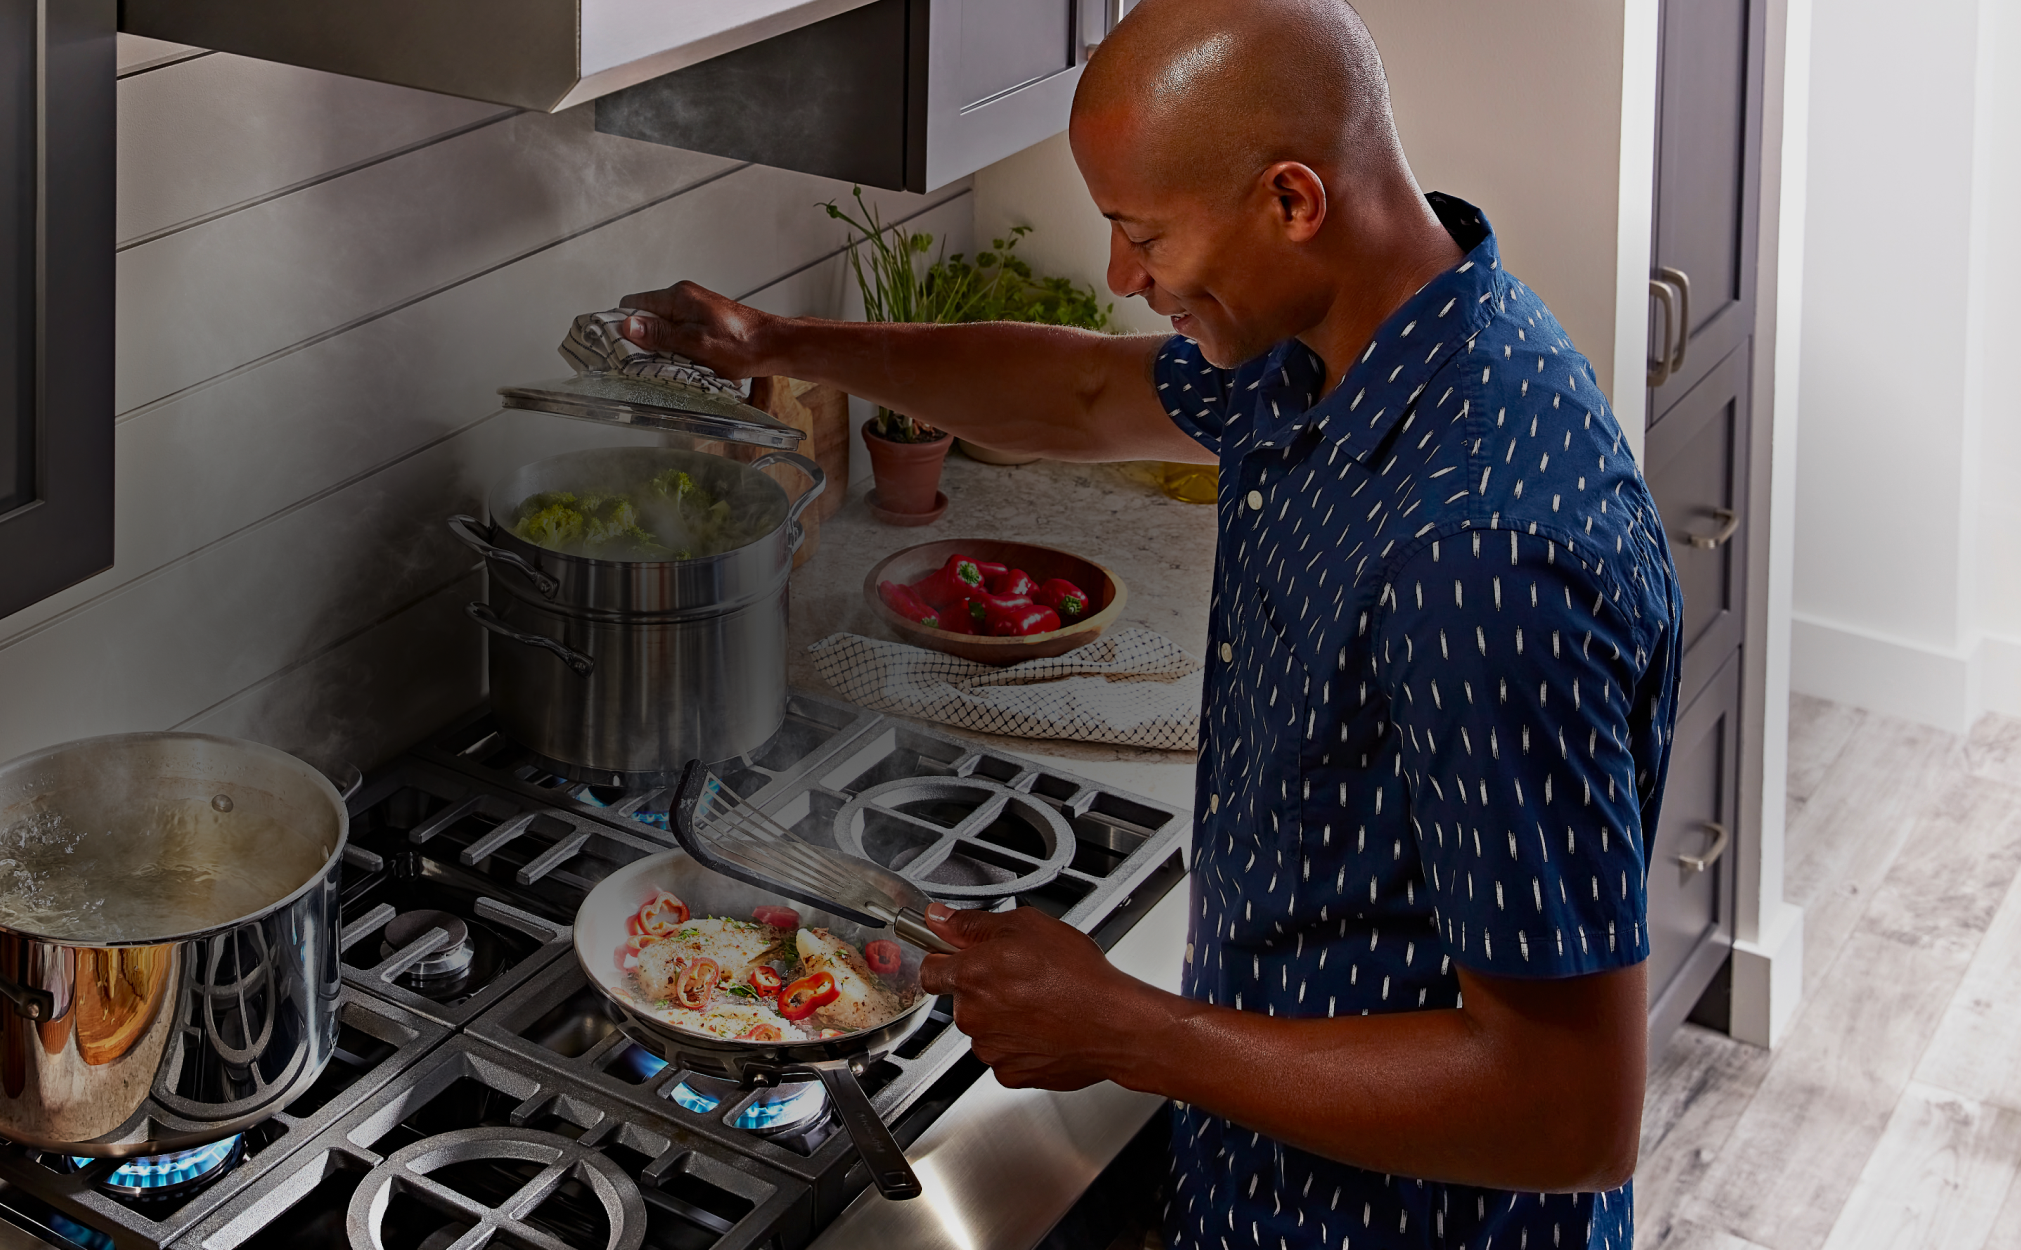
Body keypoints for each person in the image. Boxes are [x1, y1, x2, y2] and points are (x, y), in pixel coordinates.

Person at [617, 0, 1681, 1246]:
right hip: (1257, 1187)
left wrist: (1126, 1027)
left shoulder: (1480, 557)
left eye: (1143, 234)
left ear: (1293, 200)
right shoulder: (1349, 346)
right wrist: (780, 341)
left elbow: (1566, 1109)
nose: (1124, 276)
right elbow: (1077, 391)